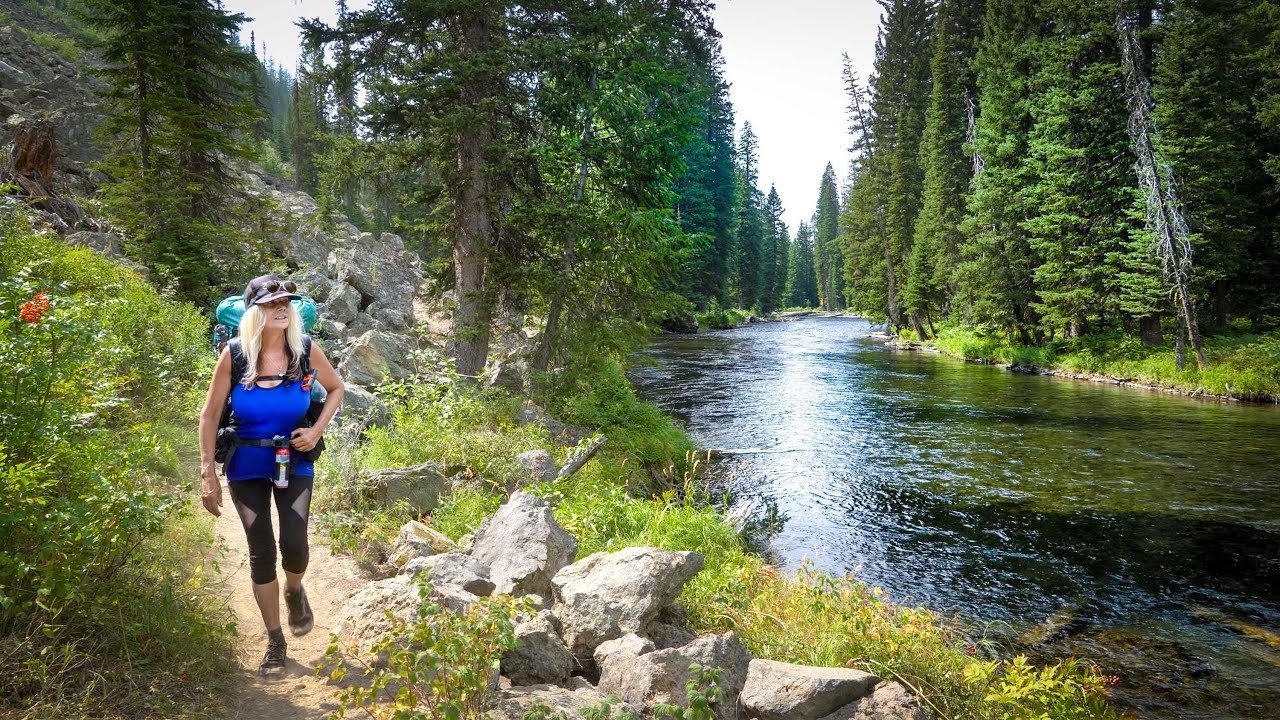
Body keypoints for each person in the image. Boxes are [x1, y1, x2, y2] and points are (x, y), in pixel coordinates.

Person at [197, 274, 345, 676]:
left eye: (286, 302)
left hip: (295, 459)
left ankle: (295, 590)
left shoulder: (306, 351)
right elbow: (210, 415)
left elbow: (336, 389)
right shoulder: (235, 355)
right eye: (270, 303)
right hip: (246, 463)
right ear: (254, 313)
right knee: (261, 549)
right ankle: (275, 640)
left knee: (294, 542)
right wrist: (208, 473)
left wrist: (315, 431)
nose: (281, 308)